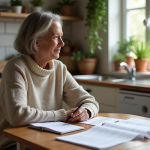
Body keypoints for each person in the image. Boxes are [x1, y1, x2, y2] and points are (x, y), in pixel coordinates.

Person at [0, 12, 99, 150]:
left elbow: (90, 101)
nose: (62, 43)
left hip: (47, 139)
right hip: (15, 143)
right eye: (55, 37)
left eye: (61, 37)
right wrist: (62, 115)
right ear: (36, 41)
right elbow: (18, 115)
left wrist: (86, 111)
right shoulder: (15, 67)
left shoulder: (59, 68)